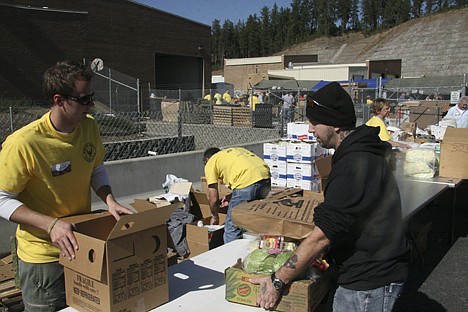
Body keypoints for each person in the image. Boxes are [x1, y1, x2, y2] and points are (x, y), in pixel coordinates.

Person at [250, 82, 410, 311]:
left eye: (315, 122)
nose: (310, 129)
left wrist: (278, 280)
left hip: (368, 281)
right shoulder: (357, 153)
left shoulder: (354, 164)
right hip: (370, 269)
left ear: (335, 124)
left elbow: (322, 236)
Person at [0, 61, 134, 311]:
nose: (91, 105)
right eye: (84, 99)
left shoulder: (89, 126)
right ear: (59, 99)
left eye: (92, 97)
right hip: (44, 259)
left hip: (81, 246)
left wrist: (110, 200)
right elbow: (2, 198)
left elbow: (95, 167)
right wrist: (50, 225)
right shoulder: (24, 143)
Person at [203, 147, 270, 243]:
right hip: (265, 178)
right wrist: (232, 196)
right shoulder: (233, 152)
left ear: (207, 159)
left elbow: (213, 198)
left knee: (232, 226)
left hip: (246, 182)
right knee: (255, 218)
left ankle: (232, 256)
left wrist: (214, 216)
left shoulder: (211, 162)